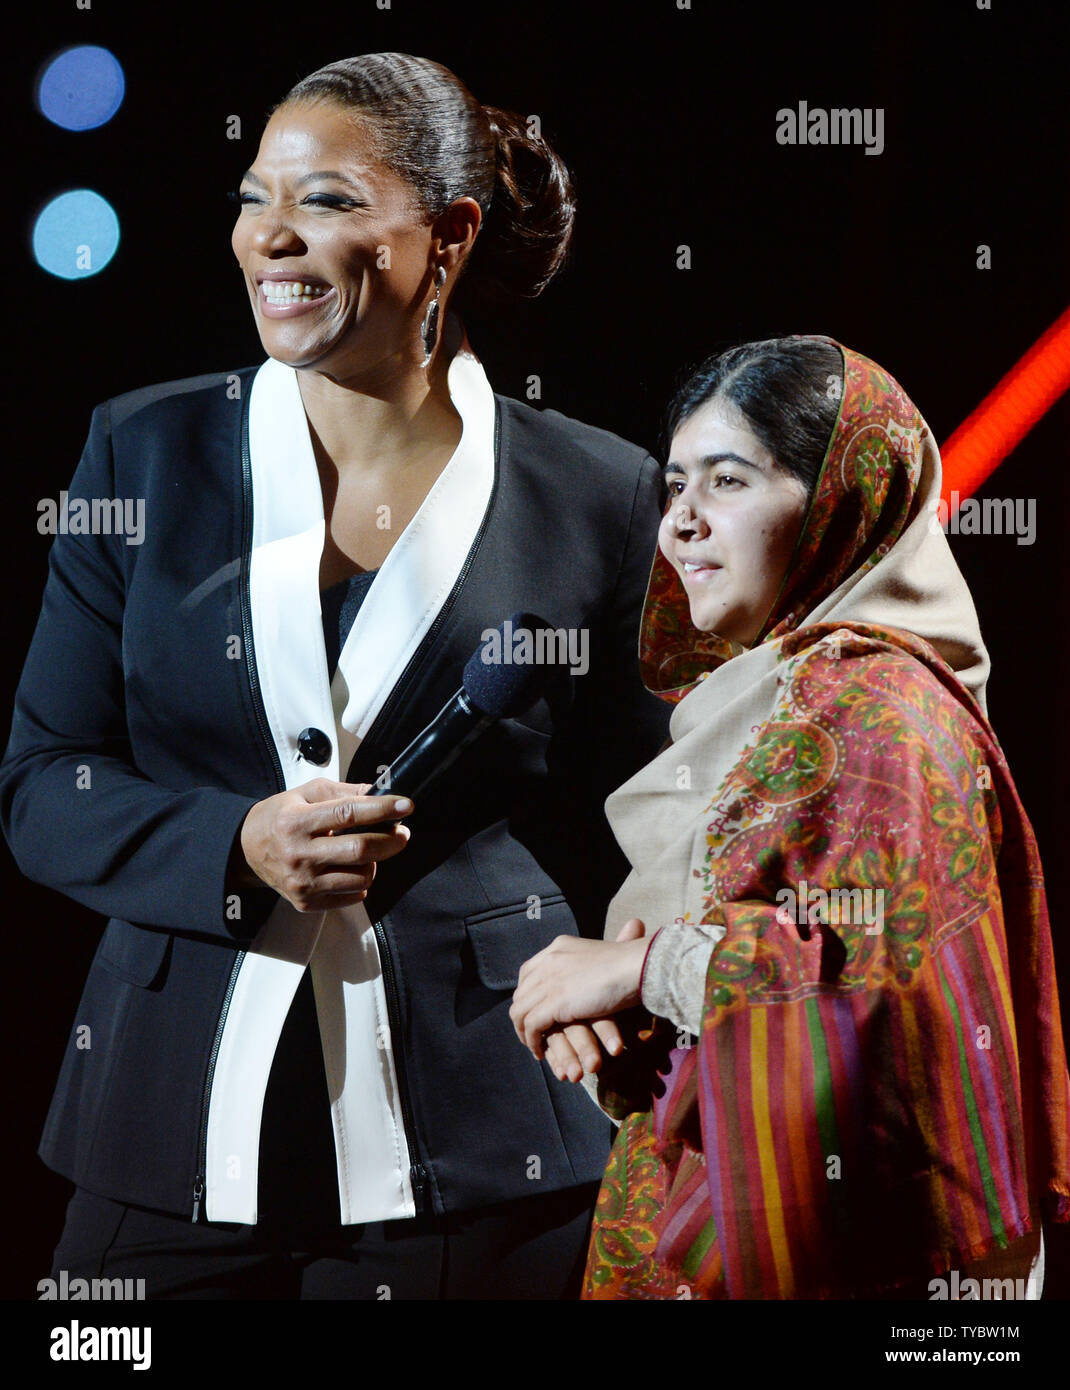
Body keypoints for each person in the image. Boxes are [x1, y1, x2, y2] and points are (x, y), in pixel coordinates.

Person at [0, 52, 670, 1299]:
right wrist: (230, 844)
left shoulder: (603, 490)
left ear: (450, 235)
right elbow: (43, 781)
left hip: (491, 1135)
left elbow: (657, 808)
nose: (272, 238)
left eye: (327, 201)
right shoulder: (139, 450)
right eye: (257, 198)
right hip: (165, 1125)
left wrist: (617, 967)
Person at [510, 335, 1070, 1299]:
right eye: (676, 485)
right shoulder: (776, 696)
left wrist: (643, 967)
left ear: (843, 503)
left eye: (728, 481)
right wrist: (610, 1020)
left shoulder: (882, 710)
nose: (681, 523)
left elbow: (881, 957)